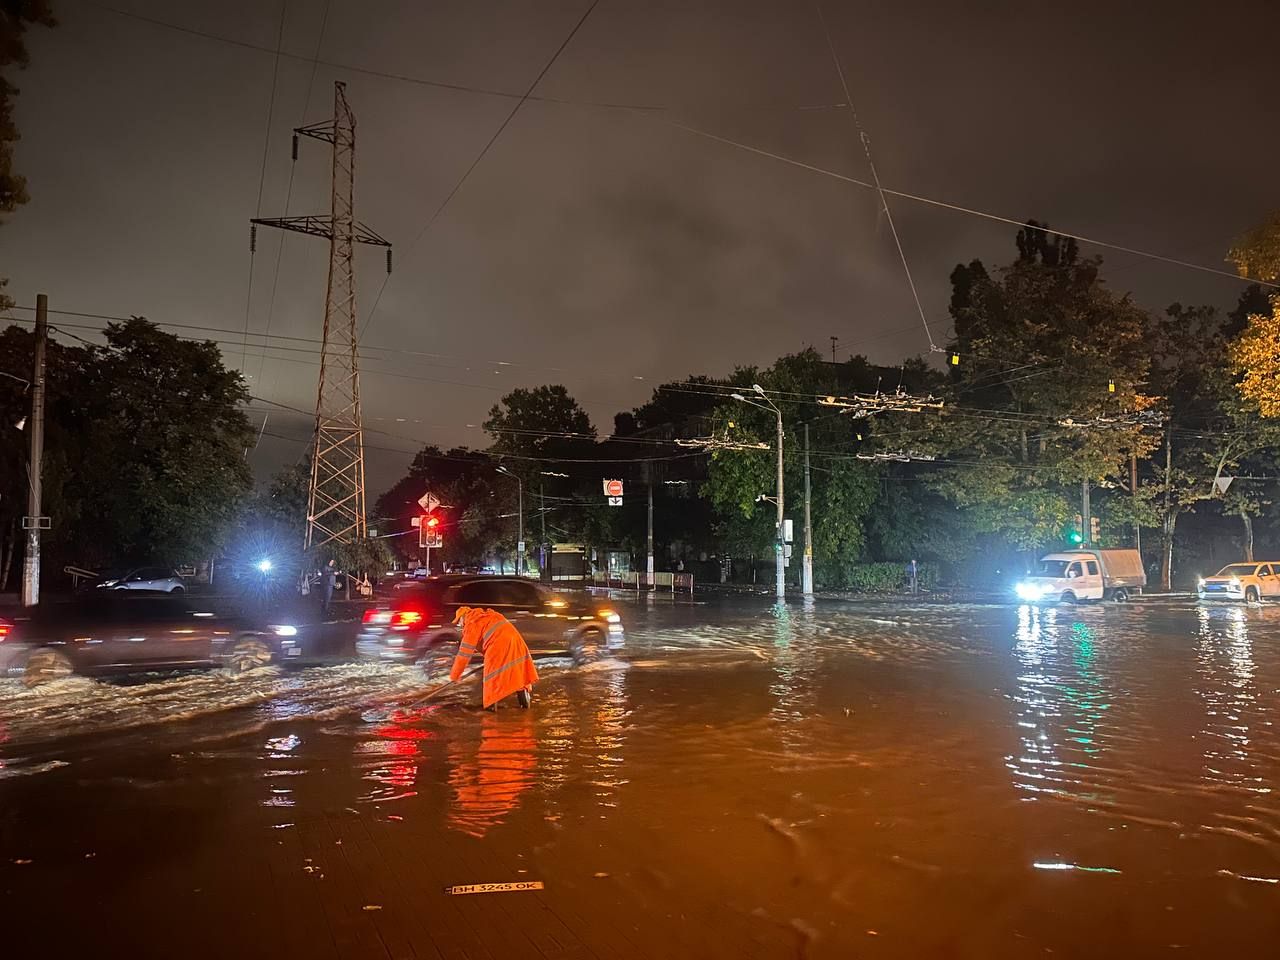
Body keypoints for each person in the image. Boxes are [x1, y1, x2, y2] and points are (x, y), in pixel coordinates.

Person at [450, 606, 538, 710]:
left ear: (463, 617)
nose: (460, 625)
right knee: (518, 672)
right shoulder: (489, 616)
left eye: (459, 621)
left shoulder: (472, 623)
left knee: (492, 679)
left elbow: (464, 653)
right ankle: (525, 708)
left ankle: (490, 713)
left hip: (498, 646)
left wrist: (455, 675)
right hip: (516, 642)